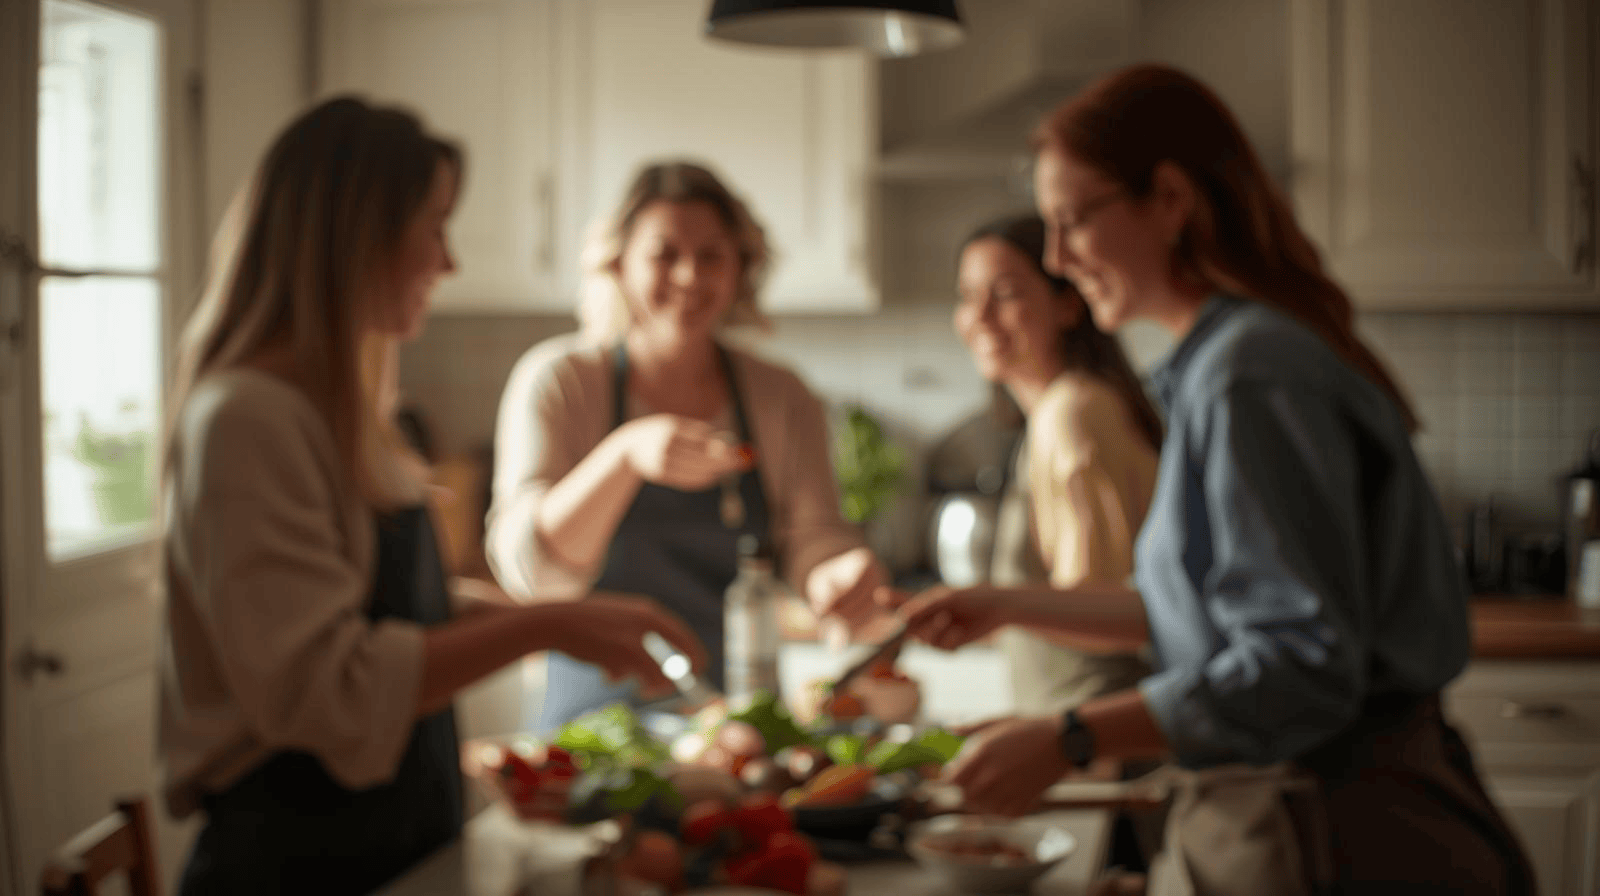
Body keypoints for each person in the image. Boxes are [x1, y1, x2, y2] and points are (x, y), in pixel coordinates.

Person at [899, 65, 1535, 894]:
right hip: (1296, 813)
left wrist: (1070, 737)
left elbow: (1298, 666)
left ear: (1169, 200)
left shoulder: (1250, 374)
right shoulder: (1224, 365)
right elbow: (1196, 613)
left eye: (1073, 221)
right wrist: (1006, 605)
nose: (1058, 257)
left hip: (1328, 826)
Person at [158, 97, 707, 895]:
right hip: (294, 864)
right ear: (358, 237)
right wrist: (550, 623)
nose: (447, 263)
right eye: (436, 227)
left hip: (391, 849)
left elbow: (390, 612)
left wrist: (576, 622)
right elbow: (329, 688)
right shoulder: (246, 418)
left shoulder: (333, 409)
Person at [486, 160, 886, 729]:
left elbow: (812, 535)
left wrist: (834, 575)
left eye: (711, 256)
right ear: (619, 264)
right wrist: (626, 455)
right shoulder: (560, 381)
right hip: (592, 729)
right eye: (664, 254)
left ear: (741, 268)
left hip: (735, 721)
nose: (689, 276)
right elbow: (532, 575)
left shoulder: (781, 395)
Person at [943, 213, 1162, 716]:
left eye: (1005, 293)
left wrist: (995, 608)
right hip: (1072, 727)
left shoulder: (1073, 415)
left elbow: (1104, 614)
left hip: (1101, 732)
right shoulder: (1056, 412)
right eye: (967, 295)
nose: (979, 316)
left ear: (1068, 304)